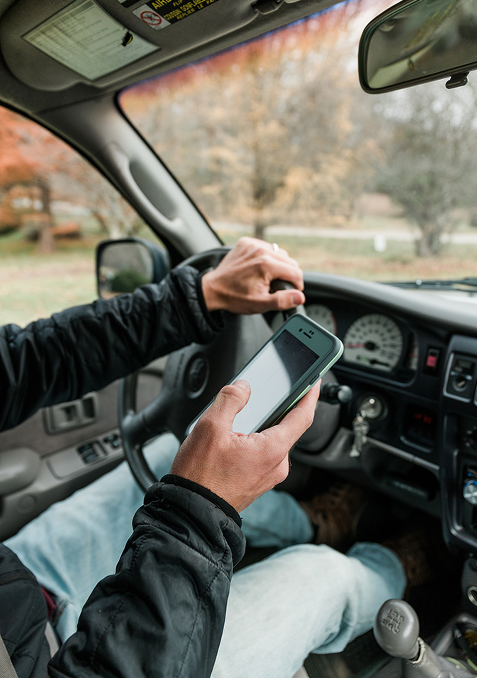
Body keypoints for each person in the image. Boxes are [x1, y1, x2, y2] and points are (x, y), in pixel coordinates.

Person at [0, 237, 407, 678]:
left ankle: (316, 524)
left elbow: (16, 365)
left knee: (167, 455)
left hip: (22, 590)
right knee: (329, 577)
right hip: (65, 663)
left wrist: (196, 298)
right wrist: (199, 509)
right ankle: (396, 566)